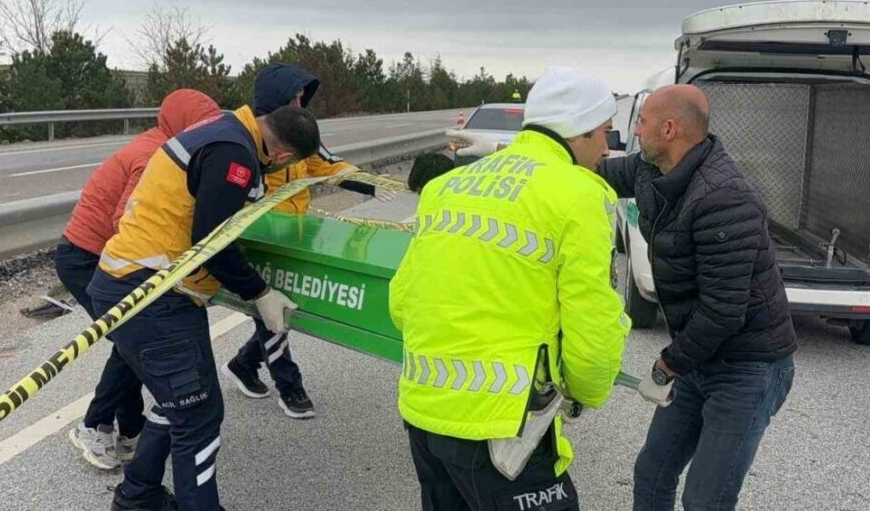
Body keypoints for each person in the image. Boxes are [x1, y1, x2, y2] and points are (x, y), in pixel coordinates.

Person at [390, 67, 630, 511]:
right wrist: (586, 392)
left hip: (424, 414)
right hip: (502, 428)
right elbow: (592, 325)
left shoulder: (445, 188)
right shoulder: (580, 195)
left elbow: (401, 303)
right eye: (604, 133)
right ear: (577, 132)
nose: (605, 149)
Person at [88, 102, 320, 511]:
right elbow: (212, 243)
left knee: (178, 400)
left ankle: (137, 496)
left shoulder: (223, 127)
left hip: (127, 281)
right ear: (282, 157)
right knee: (198, 416)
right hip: (154, 295)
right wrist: (260, 293)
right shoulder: (238, 156)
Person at [597, 85, 796, 511]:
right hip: (698, 359)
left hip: (748, 368)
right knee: (652, 473)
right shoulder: (650, 169)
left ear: (669, 129)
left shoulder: (724, 197)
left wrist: (668, 364)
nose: (636, 129)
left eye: (642, 121)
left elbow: (724, 312)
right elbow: (591, 172)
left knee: (706, 499)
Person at [54, 89, 220, 470]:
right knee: (130, 343)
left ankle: (130, 429)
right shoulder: (155, 157)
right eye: (203, 128)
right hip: (88, 258)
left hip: (102, 256)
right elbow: (128, 223)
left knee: (131, 342)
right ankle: (94, 425)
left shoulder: (171, 145)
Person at [221, 63, 393, 419]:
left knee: (284, 305)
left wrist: (370, 184)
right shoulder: (248, 141)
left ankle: (243, 363)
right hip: (258, 240)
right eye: (296, 97)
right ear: (277, 100)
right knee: (270, 308)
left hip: (292, 237)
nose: (302, 102)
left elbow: (327, 166)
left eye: (303, 97)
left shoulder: (296, 135)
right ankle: (289, 385)